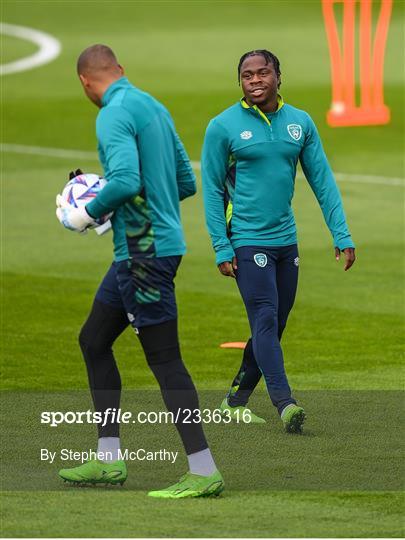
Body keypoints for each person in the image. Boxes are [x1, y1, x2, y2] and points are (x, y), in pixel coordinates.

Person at [56, 44, 224, 498]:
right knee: (93, 341)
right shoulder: (153, 106)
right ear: (120, 70)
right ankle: (109, 460)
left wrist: (89, 211)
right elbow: (183, 182)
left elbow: (127, 181)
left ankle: (204, 469)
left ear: (86, 83)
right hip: (147, 247)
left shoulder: (111, 114)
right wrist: (119, 209)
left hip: (143, 255)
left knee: (165, 359)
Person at [202, 49, 355, 433]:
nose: (255, 80)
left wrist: (341, 233)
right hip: (247, 241)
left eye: (262, 73)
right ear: (240, 82)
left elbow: (323, 181)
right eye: (247, 75)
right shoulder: (223, 126)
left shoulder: (299, 123)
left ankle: (233, 402)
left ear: (278, 77)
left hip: (286, 243)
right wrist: (222, 245)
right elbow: (210, 190)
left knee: (271, 326)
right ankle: (285, 403)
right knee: (266, 319)